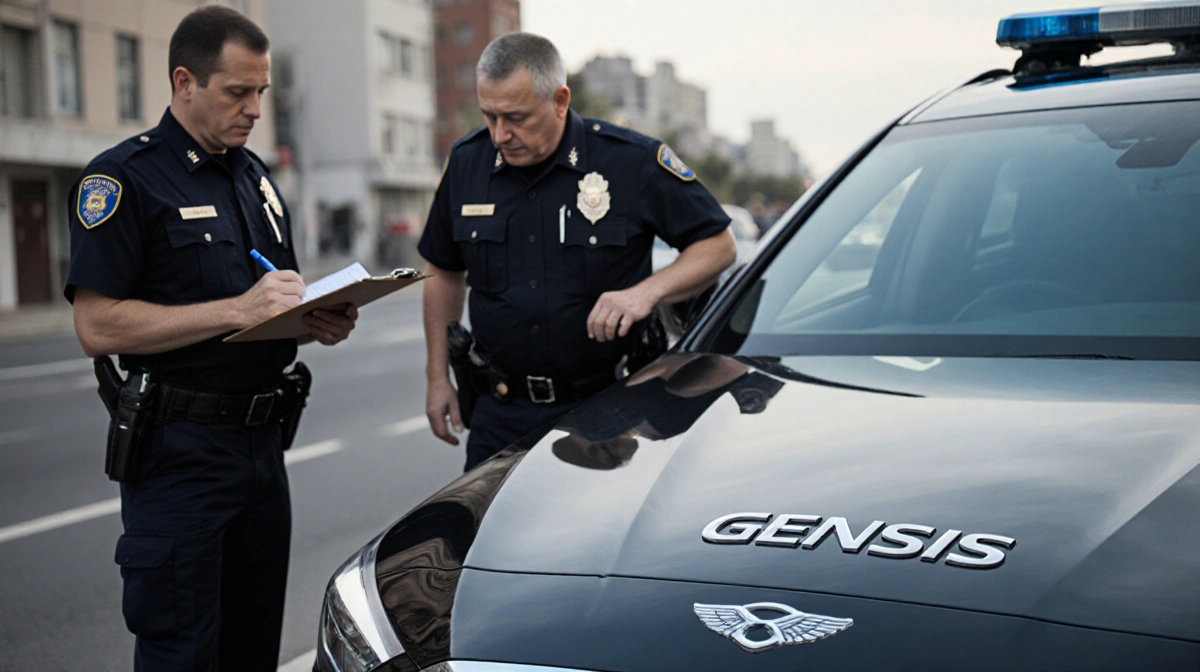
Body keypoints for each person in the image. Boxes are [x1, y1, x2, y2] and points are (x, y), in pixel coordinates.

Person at [64, 7, 356, 671]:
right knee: (183, 655)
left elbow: (262, 308)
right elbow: (96, 324)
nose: (254, 108)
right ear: (184, 82)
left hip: (260, 450)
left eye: (262, 92)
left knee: (252, 651)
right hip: (179, 456)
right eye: (237, 92)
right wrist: (234, 309)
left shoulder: (253, 179)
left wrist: (314, 320)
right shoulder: (124, 179)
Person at [419, 32, 737, 471]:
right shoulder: (467, 162)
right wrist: (437, 377)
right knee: (487, 536)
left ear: (560, 100)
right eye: (489, 116)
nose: (500, 135)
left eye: (516, 117)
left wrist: (646, 293)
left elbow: (718, 245)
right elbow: (443, 270)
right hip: (499, 413)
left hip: (609, 409)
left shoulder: (630, 161)